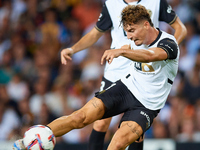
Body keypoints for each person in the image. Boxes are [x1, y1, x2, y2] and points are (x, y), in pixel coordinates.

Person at [13, 4, 180, 150]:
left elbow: (150, 56)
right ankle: (30, 140)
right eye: (126, 32)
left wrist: (121, 51)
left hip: (146, 105)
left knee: (117, 144)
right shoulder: (133, 42)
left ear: (146, 24)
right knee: (80, 117)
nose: (128, 36)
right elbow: (96, 35)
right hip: (126, 88)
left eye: (131, 31)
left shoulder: (169, 43)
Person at [61, 0, 186, 149]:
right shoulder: (112, 4)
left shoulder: (155, 2)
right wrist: (73, 49)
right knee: (101, 122)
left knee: (136, 128)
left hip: (144, 67)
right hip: (117, 68)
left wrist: (167, 52)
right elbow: (95, 33)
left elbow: (180, 28)